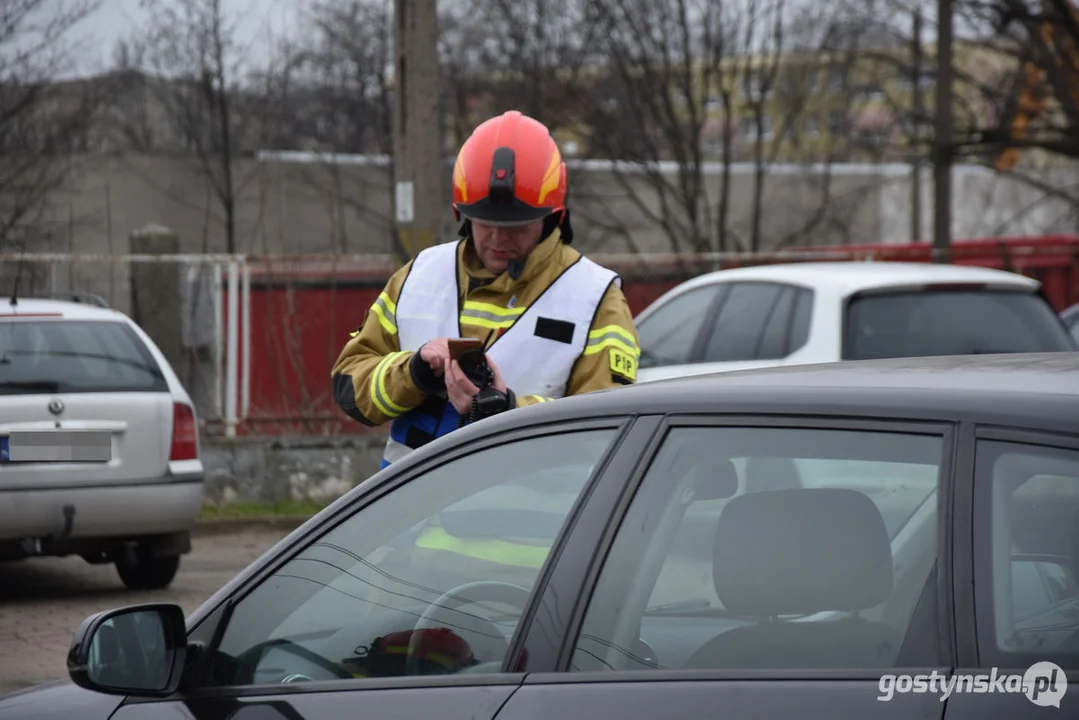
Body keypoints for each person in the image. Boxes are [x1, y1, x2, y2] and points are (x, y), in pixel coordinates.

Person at [331, 110, 641, 469]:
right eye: (485, 223)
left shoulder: (595, 300)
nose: (497, 238)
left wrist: (507, 410)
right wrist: (413, 373)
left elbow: (609, 431)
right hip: (410, 517)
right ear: (461, 214)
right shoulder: (419, 276)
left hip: (533, 524)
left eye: (516, 226)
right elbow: (348, 386)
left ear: (551, 217)